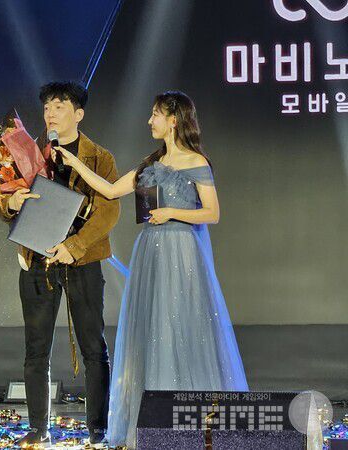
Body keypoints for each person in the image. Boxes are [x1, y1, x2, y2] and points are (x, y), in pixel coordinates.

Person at [53, 91, 249, 448]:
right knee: (154, 328)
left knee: (181, 326)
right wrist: (75, 163)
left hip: (181, 251)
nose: (150, 121)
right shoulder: (150, 163)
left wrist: (172, 212)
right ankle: (154, 424)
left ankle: (192, 425)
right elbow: (110, 190)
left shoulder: (196, 161)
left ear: (173, 120)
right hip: (151, 253)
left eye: (155, 115)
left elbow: (212, 213)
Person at [0, 82, 120, 448]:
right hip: (38, 260)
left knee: (93, 347)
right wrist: (10, 203)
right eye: (47, 108)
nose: (50, 113)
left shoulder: (99, 157)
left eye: (59, 107)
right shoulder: (28, 153)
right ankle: (39, 428)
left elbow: (108, 211)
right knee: (36, 349)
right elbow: (5, 202)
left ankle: (97, 428)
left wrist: (74, 246)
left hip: (82, 260)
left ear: (78, 114)